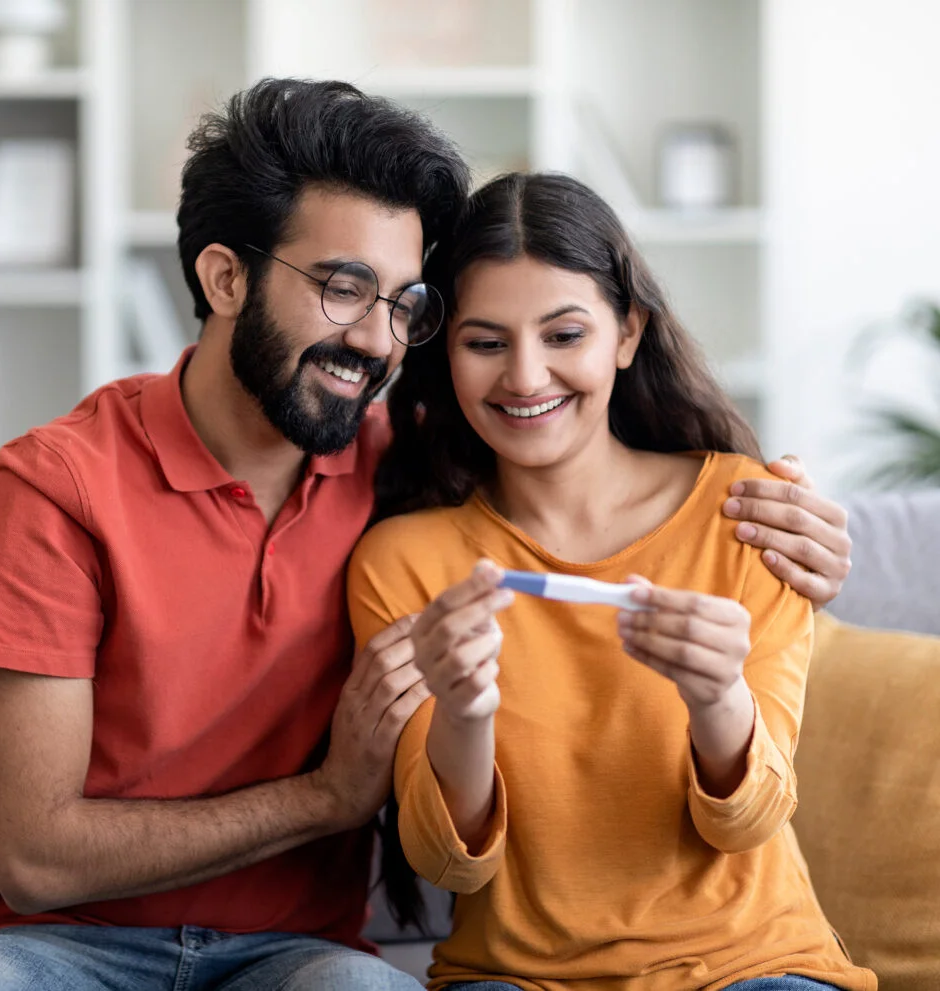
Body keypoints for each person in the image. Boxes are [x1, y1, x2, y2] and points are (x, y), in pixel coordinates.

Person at [0, 80, 851, 991]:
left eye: (404, 304)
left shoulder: (402, 465)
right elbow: (36, 856)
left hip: (296, 953)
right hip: (58, 945)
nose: (378, 343)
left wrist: (812, 535)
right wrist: (328, 795)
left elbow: (565, 454)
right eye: (342, 288)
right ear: (224, 276)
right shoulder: (56, 484)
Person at [348, 172, 873, 991]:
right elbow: (446, 862)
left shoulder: (746, 512)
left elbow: (751, 822)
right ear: (443, 352)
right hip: (514, 976)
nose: (525, 377)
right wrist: (465, 710)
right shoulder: (404, 561)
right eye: (486, 343)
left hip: (754, 966)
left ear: (627, 333)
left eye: (565, 335)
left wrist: (717, 698)